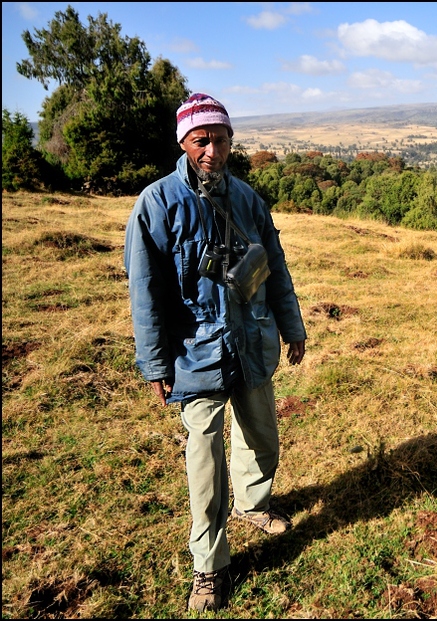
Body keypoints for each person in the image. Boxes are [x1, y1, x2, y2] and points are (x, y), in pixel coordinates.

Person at [124, 93, 307, 612]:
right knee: (204, 464)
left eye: (220, 139)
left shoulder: (248, 199)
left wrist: (291, 326)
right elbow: (146, 292)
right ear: (183, 142)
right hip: (194, 355)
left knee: (262, 439)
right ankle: (210, 567)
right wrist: (155, 363)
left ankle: (253, 503)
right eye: (200, 140)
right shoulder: (156, 204)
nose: (211, 150)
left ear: (231, 141)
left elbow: (274, 266)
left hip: (250, 344)